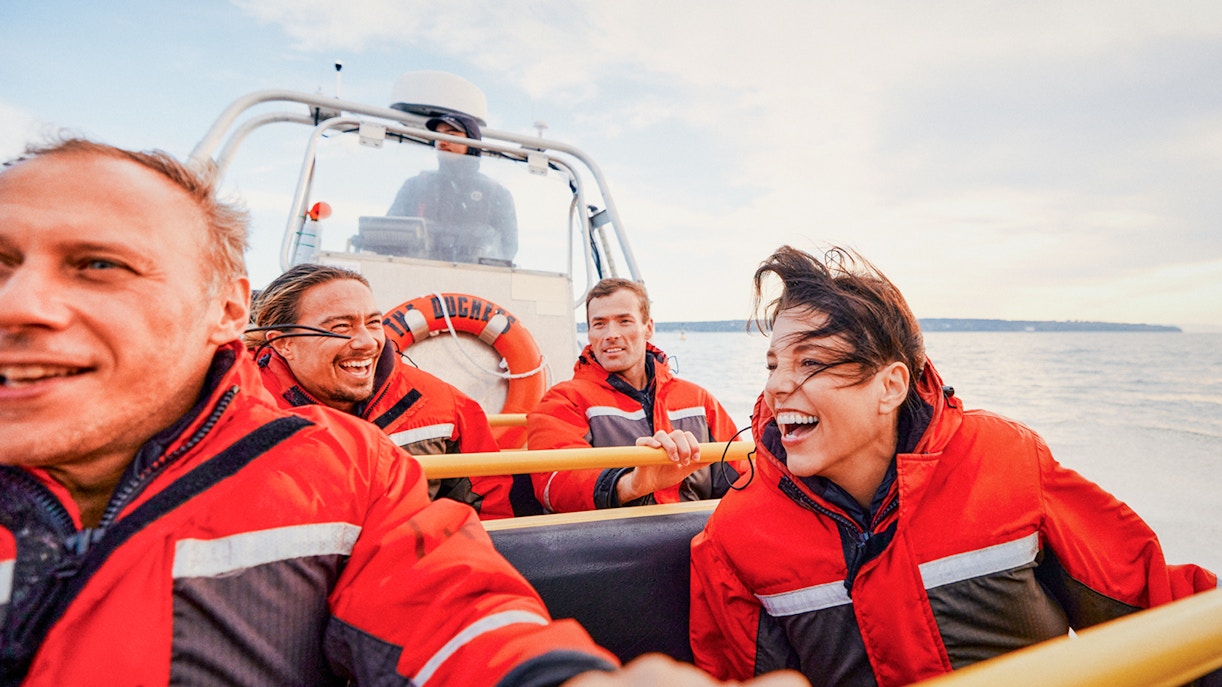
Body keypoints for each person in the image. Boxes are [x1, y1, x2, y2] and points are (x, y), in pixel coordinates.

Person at [2, 136, 800, 687]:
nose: (23, 302)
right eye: (3, 262)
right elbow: (548, 484)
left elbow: (457, 614)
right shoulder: (558, 401)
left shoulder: (345, 469)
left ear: (223, 309)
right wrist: (628, 482)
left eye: (98, 266)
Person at [689, 245, 1221, 686]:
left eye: (810, 362)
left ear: (891, 386)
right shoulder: (736, 535)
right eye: (774, 363)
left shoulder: (1005, 461)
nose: (778, 385)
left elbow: (1149, 602)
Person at [245, 263, 533, 519]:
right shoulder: (238, 412)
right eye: (341, 327)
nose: (367, 342)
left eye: (373, 323)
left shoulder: (443, 406)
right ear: (283, 343)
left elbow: (491, 515)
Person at [528, 278, 746, 512]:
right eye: (599, 324)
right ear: (589, 332)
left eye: (624, 321)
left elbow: (743, 475)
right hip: (613, 540)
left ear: (648, 327)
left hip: (697, 534)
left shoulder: (700, 401)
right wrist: (630, 486)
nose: (611, 334)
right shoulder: (563, 401)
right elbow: (554, 483)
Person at [386, 112, 518, 264]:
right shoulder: (415, 186)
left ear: (472, 143)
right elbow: (389, 233)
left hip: (473, 280)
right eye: (438, 136)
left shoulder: (495, 193)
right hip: (418, 274)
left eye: (451, 135)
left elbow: (508, 248)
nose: (442, 142)